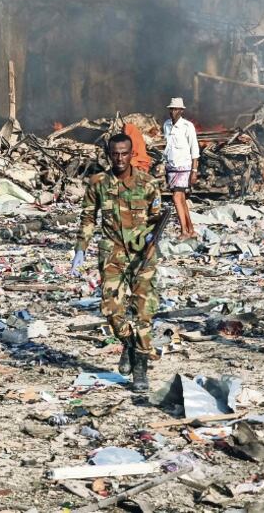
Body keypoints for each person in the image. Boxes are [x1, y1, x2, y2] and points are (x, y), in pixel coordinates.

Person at [72, 134, 162, 392]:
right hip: (112, 254)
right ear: (108, 155)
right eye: (115, 154)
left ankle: (141, 367)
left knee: (144, 311)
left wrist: (149, 235)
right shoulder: (98, 183)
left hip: (142, 255)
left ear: (131, 154)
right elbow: (88, 218)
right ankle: (129, 343)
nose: (120, 159)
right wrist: (81, 248)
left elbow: (157, 218)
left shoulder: (147, 183)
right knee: (112, 310)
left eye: (124, 153)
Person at [162, 98, 199, 239]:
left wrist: (194, 171)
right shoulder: (166, 125)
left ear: (182, 110)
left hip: (184, 167)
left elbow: (194, 149)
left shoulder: (187, 126)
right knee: (181, 198)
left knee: (176, 197)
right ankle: (191, 230)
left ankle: (183, 231)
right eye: (171, 109)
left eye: (176, 109)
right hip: (171, 167)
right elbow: (167, 147)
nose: (173, 112)